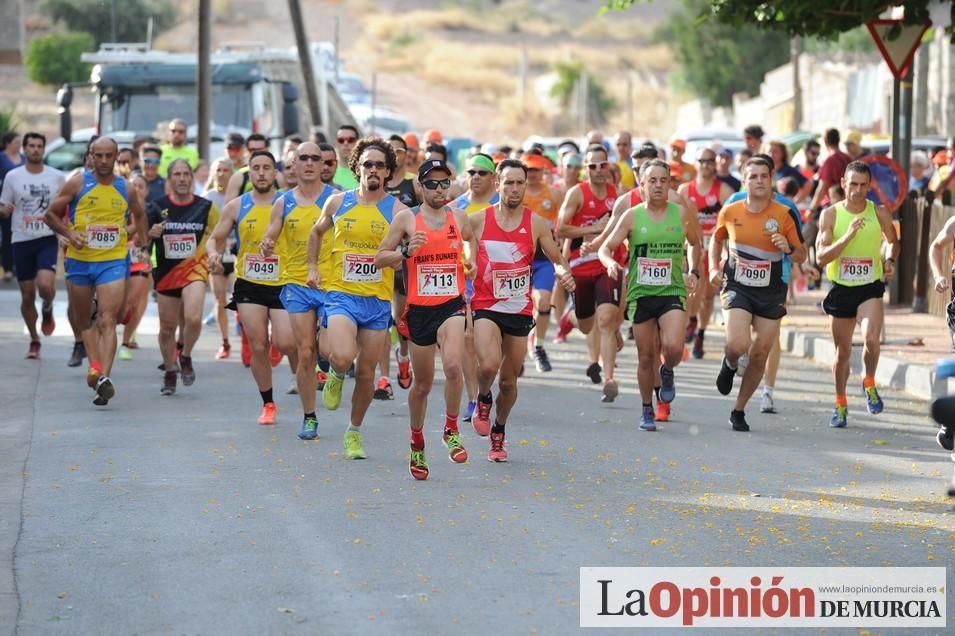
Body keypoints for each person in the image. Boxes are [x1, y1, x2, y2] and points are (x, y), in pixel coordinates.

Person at [375, 158, 477, 478]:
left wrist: (471, 262)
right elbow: (380, 258)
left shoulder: (459, 217)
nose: (438, 189)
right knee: (422, 385)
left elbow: (472, 243)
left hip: (451, 305)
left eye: (444, 183)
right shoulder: (407, 219)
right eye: (431, 183)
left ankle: (450, 429)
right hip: (420, 310)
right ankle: (417, 443)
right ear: (419, 186)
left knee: (452, 367)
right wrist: (405, 252)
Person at [306, 137, 407, 460]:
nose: (373, 170)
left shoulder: (398, 210)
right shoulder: (337, 202)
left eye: (379, 165)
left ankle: (354, 432)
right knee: (343, 354)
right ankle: (335, 372)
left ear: (388, 171)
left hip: (377, 301)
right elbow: (316, 233)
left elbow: (412, 250)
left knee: (366, 374)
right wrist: (312, 266)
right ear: (357, 168)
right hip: (341, 294)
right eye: (367, 164)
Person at [469, 159, 576, 461]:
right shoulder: (478, 220)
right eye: (509, 182)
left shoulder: (536, 223)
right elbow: (460, 249)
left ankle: (499, 431)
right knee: (488, 365)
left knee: (509, 380)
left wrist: (563, 272)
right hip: (486, 304)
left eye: (520, 183)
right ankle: (483, 398)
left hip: (517, 308)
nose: (514, 189)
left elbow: (555, 257)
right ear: (497, 184)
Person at [45, 137, 148, 406]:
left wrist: (144, 246)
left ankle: (104, 378)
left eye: (108, 156)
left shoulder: (125, 187)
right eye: (98, 155)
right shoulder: (78, 183)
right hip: (80, 261)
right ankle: (95, 366)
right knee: (85, 320)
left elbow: (140, 214)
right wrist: (69, 234)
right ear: (91, 155)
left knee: (107, 319)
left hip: (113, 260)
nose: (103, 161)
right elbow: (50, 214)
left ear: (116, 157)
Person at [599, 159, 701, 430]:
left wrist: (693, 271)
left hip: (672, 290)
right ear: (642, 186)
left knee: (673, 348)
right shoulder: (632, 215)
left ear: (670, 184)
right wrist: (610, 263)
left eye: (663, 181)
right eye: (651, 181)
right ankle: (646, 408)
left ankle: (667, 372)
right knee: (645, 356)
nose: (658, 185)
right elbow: (605, 248)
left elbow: (694, 243)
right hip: (642, 292)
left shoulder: (680, 213)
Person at [709, 155, 805, 432]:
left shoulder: (783, 214)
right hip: (738, 284)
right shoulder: (731, 211)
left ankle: (738, 409)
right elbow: (717, 240)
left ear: (772, 179)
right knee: (738, 345)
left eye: (764, 176)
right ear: (744, 180)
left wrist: (787, 246)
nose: (759, 181)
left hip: (771, 289)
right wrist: (714, 266)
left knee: (761, 351)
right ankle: (729, 363)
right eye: (753, 176)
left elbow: (801, 253)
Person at [207, 150, 297, 425]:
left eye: (266, 167)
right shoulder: (237, 205)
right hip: (249, 283)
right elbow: (215, 238)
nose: (261, 173)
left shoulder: (290, 203)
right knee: (258, 345)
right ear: (248, 172)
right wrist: (213, 253)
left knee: (285, 341)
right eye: (255, 168)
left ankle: (302, 364)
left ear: (275, 173)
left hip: (283, 282)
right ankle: (268, 403)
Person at [260, 142, 337, 440]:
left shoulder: (336, 198)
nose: (308, 163)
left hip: (332, 283)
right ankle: (309, 416)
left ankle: (335, 373)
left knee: (330, 352)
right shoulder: (283, 201)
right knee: (305, 352)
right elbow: (270, 236)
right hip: (297, 282)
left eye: (314, 159)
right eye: (302, 158)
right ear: (293, 164)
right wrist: (267, 245)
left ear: (322, 165)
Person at [816, 161, 899, 427]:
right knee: (842, 354)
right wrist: (847, 237)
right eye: (853, 184)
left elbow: (892, 242)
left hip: (870, 287)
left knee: (872, 340)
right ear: (843, 183)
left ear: (869, 186)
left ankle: (869, 382)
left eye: (863, 185)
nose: (858, 190)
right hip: (841, 289)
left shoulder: (880, 212)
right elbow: (820, 257)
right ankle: (840, 403)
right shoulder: (830, 215)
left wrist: (889, 261)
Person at [556, 144, 623, 401]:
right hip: (580, 267)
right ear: (586, 169)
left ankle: (609, 379)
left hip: (607, 265)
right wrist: (591, 229)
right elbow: (560, 229)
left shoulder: (618, 195)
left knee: (606, 319)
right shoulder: (577, 194)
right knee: (588, 324)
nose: (597, 170)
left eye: (602, 165)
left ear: (609, 166)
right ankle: (571, 319)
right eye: (592, 166)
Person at [149, 160, 219, 395]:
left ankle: (185, 354)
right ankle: (170, 370)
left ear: (192, 178)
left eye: (186, 174)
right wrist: (151, 233)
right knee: (167, 327)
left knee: (194, 317)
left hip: (194, 270)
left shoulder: (206, 207)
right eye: (177, 174)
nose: (181, 178)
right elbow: (141, 237)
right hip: (167, 273)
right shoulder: (157, 206)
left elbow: (217, 234)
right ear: (170, 179)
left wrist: (215, 254)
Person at [0, 132, 65, 358]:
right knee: (27, 296)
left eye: (39, 146)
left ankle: (47, 307)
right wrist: (4, 210)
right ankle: (34, 339)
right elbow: (3, 204)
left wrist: (63, 233)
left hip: (47, 237)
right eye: (31, 146)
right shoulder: (13, 176)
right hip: (21, 239)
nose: (35, 150)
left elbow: (63, 209)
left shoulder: (56, 177)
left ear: (43, 150)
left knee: (45, 286)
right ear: (24, 150)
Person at [451, 153, 501, 423]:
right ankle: (473, 397)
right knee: (467, 338)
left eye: (482, 173)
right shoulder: (454, 208)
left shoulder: (503, 204)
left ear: (494, 178)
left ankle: (486, 386)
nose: (476, 177)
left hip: (499, 282)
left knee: (495, 344)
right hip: (465, 280)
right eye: (471, 172)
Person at [678, 147, 734, 359]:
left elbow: (731, 219)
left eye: (710, 161)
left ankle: (700, 332)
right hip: (692, 245)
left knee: (708, 295)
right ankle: (691, 320)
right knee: (691, 289)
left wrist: (725, 247)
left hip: (714, 245)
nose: (706, 165)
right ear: (696, 162)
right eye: (702, 161)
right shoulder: (685, 190)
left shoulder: (723, 190)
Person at [522, 152, 562, 372]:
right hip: (519, 259)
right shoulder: (517, 193)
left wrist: (562, 251)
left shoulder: (554, 194)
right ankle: (516, 350)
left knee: (544, 301)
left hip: (543, 259)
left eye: (537, 170)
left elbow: (564, 222)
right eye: (529, 170)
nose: (533, 174)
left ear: (543, 171)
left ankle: (538, 346)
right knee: (520, 308)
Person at [202, 158, 236, 359]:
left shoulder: (240, 197)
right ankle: (225, 342)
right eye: (218, 170)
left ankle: (246, 333)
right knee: (220, 300)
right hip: (217, 255)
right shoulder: (208, 198)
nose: (222, 173)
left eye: (226, 170)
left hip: (237, 254)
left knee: (241, 298)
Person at [119, 174, 155, 360]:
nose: (137, 189)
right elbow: (119, 233)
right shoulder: (119, 207)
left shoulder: (151, 210)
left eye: (141, 186)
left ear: (146, 190)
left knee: (135, 302)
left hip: (140, 259)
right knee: (121, 305)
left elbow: (148, 238)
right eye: (133, 185)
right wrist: (136, 224)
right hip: (117, 259)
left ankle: (125, 341)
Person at [0, 131, 24, 282]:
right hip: (4, 202)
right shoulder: (1, 158)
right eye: (16, 142)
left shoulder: (23, 158)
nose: (19, 145)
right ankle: (8, 268)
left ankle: (15, 266)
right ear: (8, 143)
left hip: (21, 204)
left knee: (17, 234)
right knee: (6, 234)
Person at [223, 134, 276, 202]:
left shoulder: (278, 177)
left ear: (267, 149)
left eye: (260, 149)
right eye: (252, 149)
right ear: (246, 150)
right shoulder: (239, 176)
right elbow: (228, 209)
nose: (256, 152)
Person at [333, 125, 360, 190]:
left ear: (358, 143)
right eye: (341, 140)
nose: (345, 143)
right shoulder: (327, 170)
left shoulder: (365, 171)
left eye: (350, 140)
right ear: (336, 143)